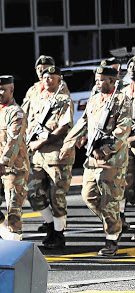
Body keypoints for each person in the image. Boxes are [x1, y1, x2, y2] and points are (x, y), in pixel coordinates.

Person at [59, 65, 132, 256]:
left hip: (112, 161)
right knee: (89, 195)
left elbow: (123, 130)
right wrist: (68, 143)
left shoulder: (122, 101)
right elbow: (82, 123)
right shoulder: (94, 101)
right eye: (97, 80)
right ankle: (115, 223)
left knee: (110, 201)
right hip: (92, 159)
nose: (98, 83)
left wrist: (106, 149)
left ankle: (111, 240)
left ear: (112, 81)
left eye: (102, 80)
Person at [25, 66, 74, 249]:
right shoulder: (36, 98)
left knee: (57, 197)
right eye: (46, 77)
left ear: (59, 80)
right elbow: (28, 119)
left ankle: (59, 234)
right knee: (34, 192)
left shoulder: (64, 100)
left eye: (52, 77)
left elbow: (64, 127)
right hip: (37, 157)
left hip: (56, 155)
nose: (48, 80)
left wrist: (42, 142)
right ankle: (50, 225)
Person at [0, 75, 29, 241]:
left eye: (2, 89)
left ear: (11, 90)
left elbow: (13, 141)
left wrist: (3, 162)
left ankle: (15, 242)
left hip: (14, 167)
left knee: (13, 208)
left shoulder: (17, 113)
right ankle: (7, 237)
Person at [122, 56, 135, 238]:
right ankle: (121, 219)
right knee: (126, 184)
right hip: (126, 142)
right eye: (131, 65)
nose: (133, 68)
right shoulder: (125, 92)